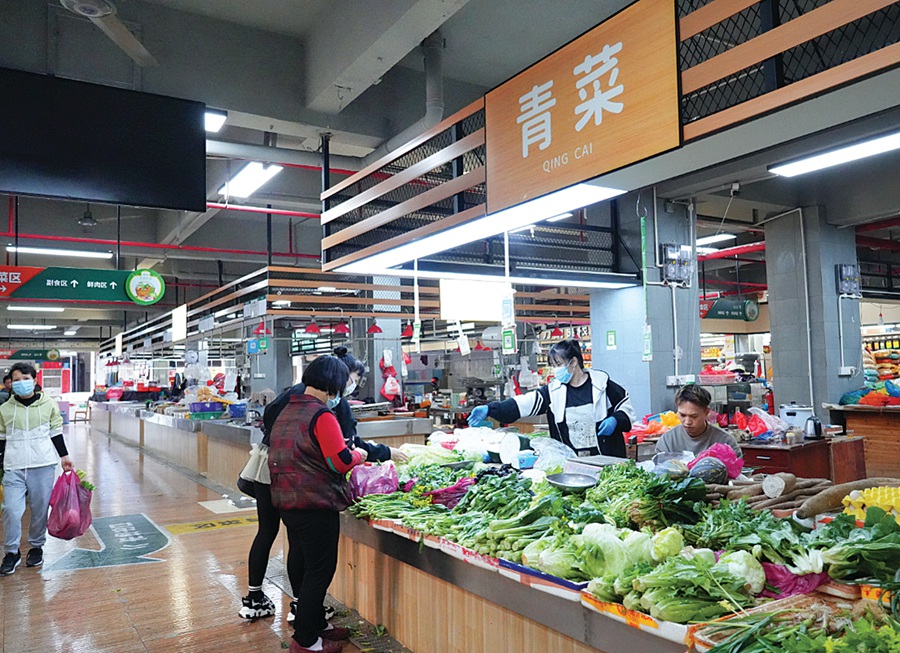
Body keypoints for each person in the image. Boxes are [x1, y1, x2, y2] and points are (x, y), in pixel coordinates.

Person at [239, 348, 408, 624]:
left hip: (273, 469)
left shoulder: (295, 398)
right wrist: (369, 454)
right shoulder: (324, 408)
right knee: (314, 563)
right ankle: (305, 620)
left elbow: (272, 418)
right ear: (338, 379)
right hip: (304, 487)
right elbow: (342, 454)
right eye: (353, 379)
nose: (351, 386)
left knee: (272, 533)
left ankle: (261, 599)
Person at [267, 355, 367, 653]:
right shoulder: (321, 415)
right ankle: (306, 642)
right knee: (319, 572)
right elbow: (340, 462)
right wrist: (360, 455)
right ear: (334, 385)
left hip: (287, 500)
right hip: (314, 503)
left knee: (304, 565)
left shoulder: (288, 410)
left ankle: (315, 624)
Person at [468, 339, 636, 458]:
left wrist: (615, 419)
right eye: (553, 365)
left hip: (606, 458)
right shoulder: (553, 391)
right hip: (571, 461)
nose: (555, 370)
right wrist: (491, 408)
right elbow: (523, 403)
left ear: (574, 362)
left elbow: (626, 408)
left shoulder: (602, 385)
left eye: (558, 364)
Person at [0, 362, 74, 575]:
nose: (21, 383)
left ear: (34, 380)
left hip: (42, 465)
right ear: (10, 383)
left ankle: (36, 547)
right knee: (11, 510)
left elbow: (55, 431)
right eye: (16, 380)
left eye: (25, 379)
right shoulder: (4, 409)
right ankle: (11, 552)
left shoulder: (48, 404)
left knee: (40, 509)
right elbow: (1, 438)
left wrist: (64, 456)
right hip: (14, 466)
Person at [655, 384, 742, 457]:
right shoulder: (667, 441)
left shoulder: (726, 442)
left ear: (706, 412)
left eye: (694, 416)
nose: (687, 422)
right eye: (682, 415)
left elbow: (736, 471)